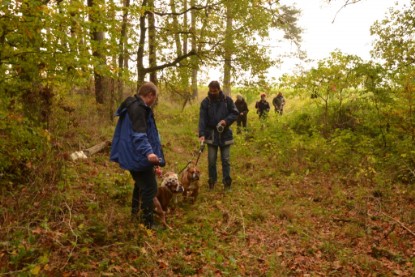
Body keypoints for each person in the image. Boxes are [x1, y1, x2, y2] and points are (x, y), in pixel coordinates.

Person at [110, 82, 165, 230]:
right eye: (155, 97)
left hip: (131, 153)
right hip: (137, 155)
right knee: (150, 188)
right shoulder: (138, 108)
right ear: (150, 95)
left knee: (140, 185)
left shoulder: (133, 105)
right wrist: (149, 152)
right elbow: (139, 135)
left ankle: (135, 214)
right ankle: (148, 224)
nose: (154, 101)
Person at [198, 81, 239, 191]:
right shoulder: (205, 102)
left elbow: (235, 113)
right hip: (211, 135)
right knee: (211, 160)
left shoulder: (227, 100)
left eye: (214, 91)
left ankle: (227, 184)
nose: (212, 93)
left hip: (225, 134)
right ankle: (212, 182)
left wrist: (226, 121)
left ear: (219, 89)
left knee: (225, 160)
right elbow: (202, 119)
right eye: (211, 91)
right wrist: (201, 134)